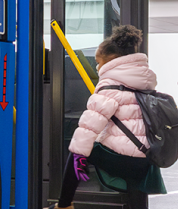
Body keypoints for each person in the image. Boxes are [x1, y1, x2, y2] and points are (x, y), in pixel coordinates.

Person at [52, 25, 165, 209]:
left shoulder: (110, 86)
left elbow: (87, 130)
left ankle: (64, 205)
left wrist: (80, 156)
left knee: (76, 151)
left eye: (98, 62)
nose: (97, 67)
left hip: (125, 159)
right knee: (131, 165)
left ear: (111, 61)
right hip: (147, 160)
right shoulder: (145, 83)